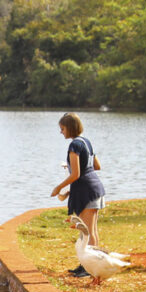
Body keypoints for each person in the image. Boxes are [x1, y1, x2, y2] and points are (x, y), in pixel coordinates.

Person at [49, 112, 104, 278]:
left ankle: (89, 268)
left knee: (87, 231)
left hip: (87, 191)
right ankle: (86, 265)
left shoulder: (74, 146)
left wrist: (58, 187)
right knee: (89, 230)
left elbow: (77, 175)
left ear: (70, 128)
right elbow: (96, 166)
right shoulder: (86, 142)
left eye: (62, 128)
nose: (61, 132)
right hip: (93, 187)